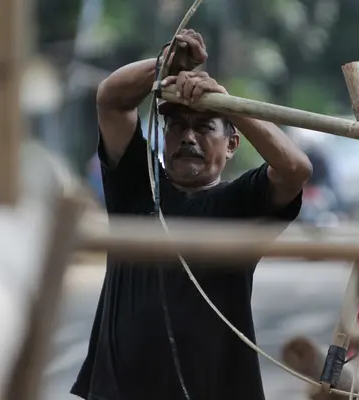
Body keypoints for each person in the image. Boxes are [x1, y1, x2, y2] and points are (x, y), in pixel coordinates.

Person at [71, 29, 312, 400]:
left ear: (231, 145)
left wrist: (229, 104)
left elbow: (295, 169)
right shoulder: (137, 186)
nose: (188, 137)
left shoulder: (241, 205)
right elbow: (111, 99)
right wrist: (162, 66)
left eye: (204, 127)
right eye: (178, 126)